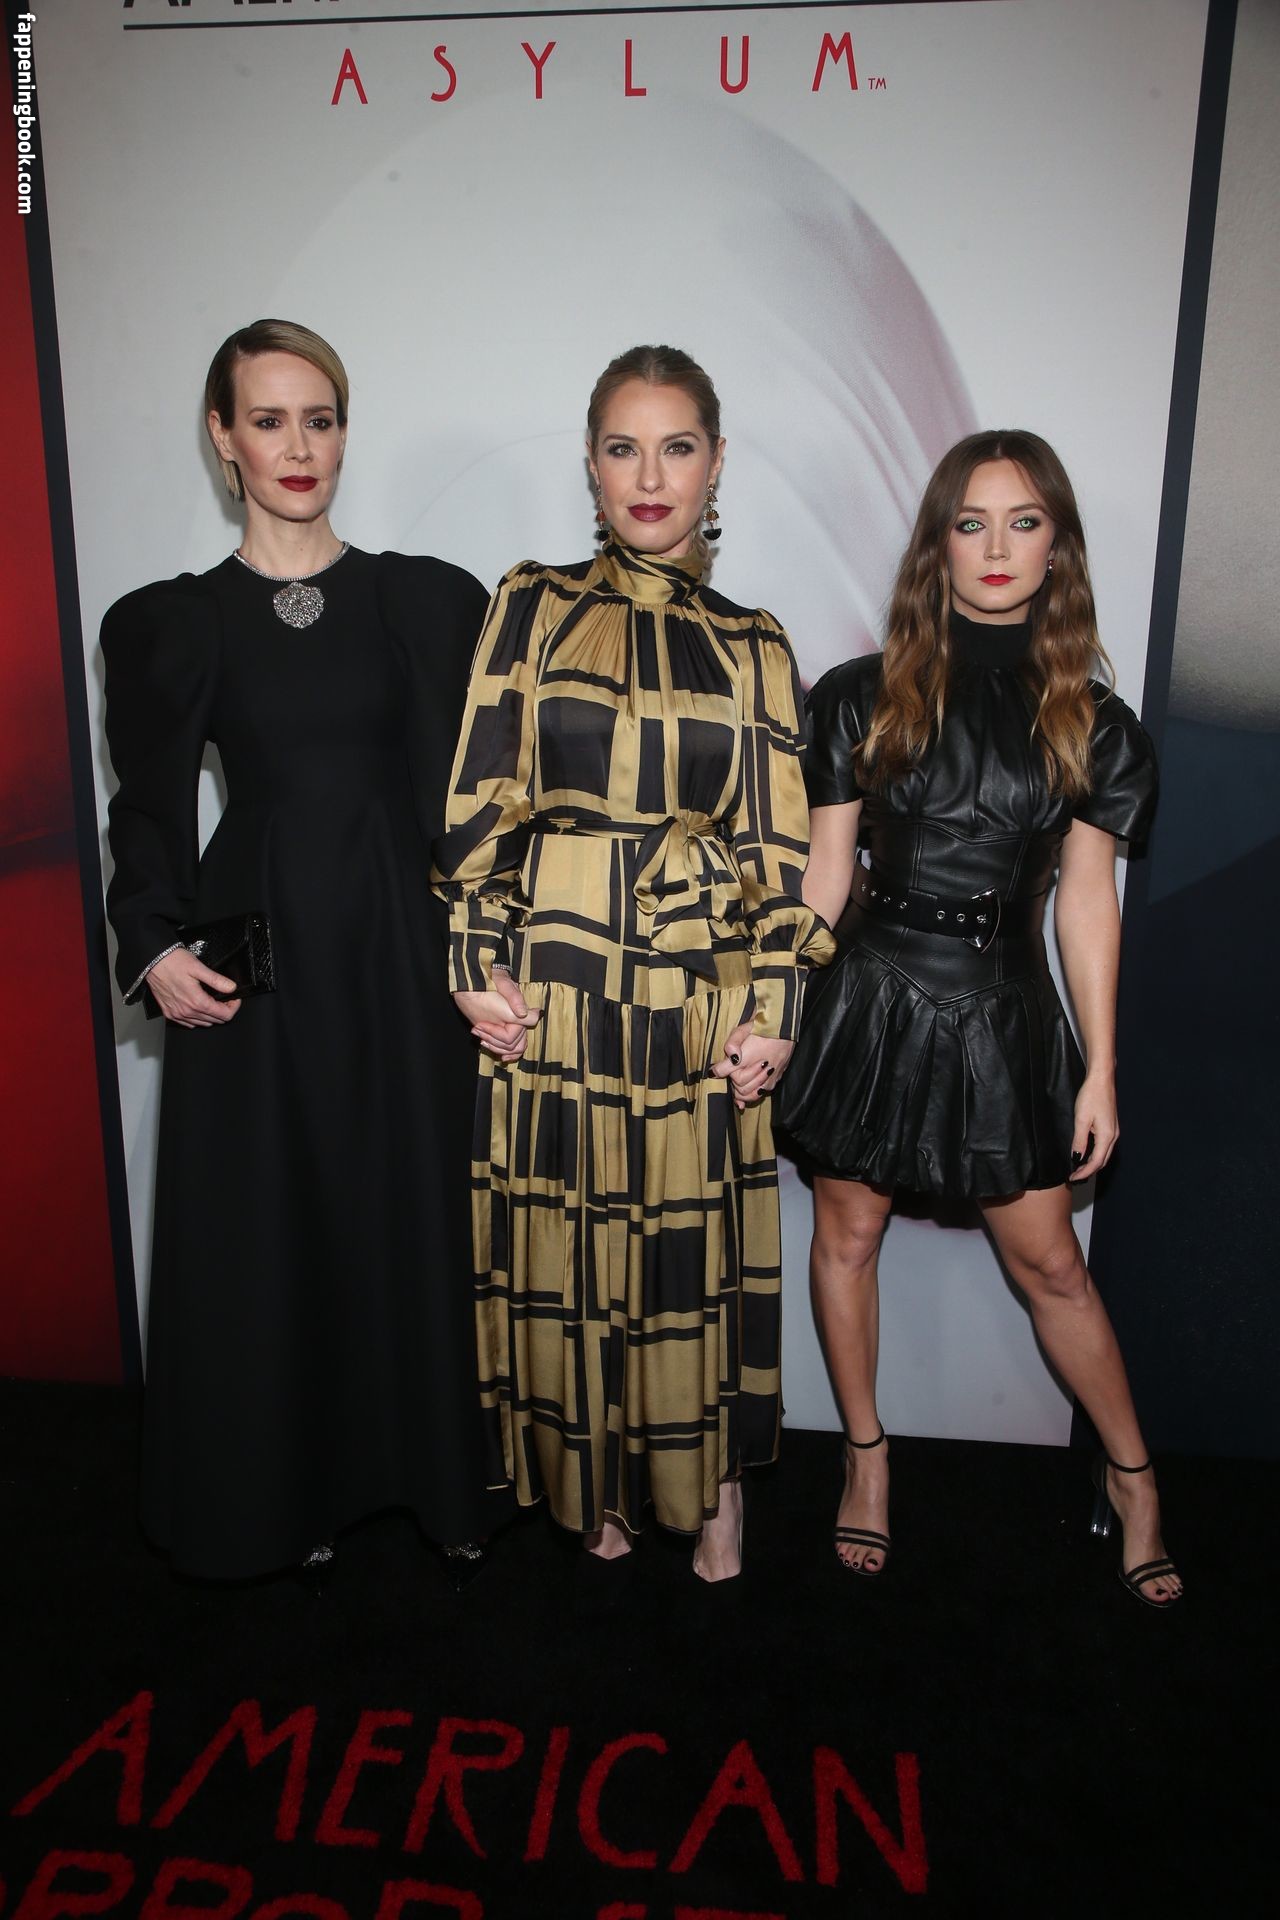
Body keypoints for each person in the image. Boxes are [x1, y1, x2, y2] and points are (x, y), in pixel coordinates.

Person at [103, 318, 504, 1580]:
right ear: (222, 439)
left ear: (342, 434)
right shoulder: (177, 621)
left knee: (409, 1200)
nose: (297, 446)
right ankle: (289, 1494)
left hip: (399, 940)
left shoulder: (421, 600)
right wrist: (153, 941)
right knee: (274, 1219)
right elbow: (149, 810)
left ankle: (434, 1483)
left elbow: (470, 802)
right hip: (258, 944)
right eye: (267, 420)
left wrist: (487, 943)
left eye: (318, 420)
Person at [432, 345, 833, 1581]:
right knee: (564, 1233)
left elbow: (776, 847)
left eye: (675, 447)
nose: (648, 476)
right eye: (622, 448)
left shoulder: (753, 642)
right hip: (554, 973)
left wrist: (775, 1002)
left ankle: (710, 1490)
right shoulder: (530, 602)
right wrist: (471, 954)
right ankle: (589, 1480)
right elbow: (480, 794)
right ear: (590, 464)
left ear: (715, 464)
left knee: (683, 1243)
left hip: (692, 981)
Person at [779, 430, 1182, 1606]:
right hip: (865, 1000)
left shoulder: (1095, 725)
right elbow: (825, 877)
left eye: (1022, 522)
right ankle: (865, 1458)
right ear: (936, 545)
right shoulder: (857, 694)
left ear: (1056, 547)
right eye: (970, 522)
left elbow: (1087, 904)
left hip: (1002, 1014)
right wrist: (773, 1006)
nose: (996, 547)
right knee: (846, 1237)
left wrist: (1099, 1068)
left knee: (1051, 1266)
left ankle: (1134, 1478)